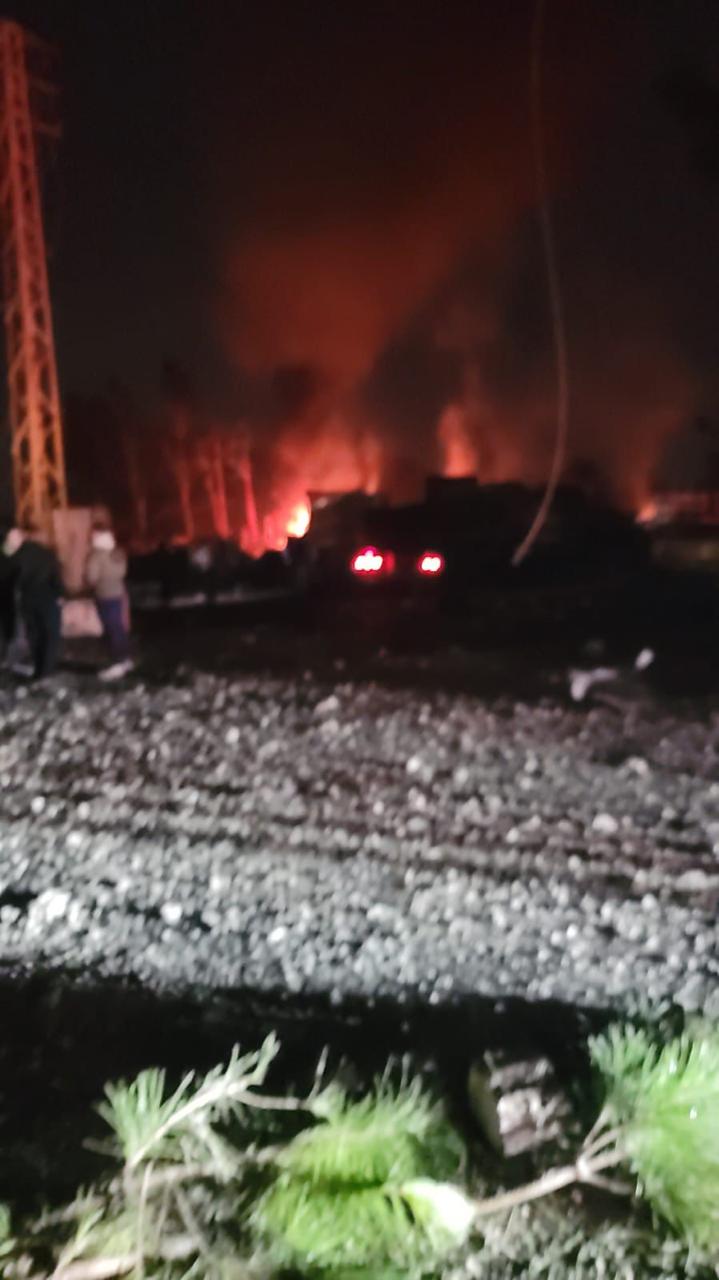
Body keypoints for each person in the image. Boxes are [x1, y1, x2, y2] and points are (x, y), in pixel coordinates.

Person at [2, 525, 64, 679]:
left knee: (34, 633)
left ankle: (38, 667)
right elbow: (56, 574)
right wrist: (60, 594)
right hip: (48, 597)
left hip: (29, 597)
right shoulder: (47, 553)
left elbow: (8, 572)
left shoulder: (18, 554)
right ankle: (47, 669)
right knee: (49, 634)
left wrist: (6, 549)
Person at [85, 525, 132, 679]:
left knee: (111, 629)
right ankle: (125, 658)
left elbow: (91, 577)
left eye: (93, 535)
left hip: (104, 595)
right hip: (118, 593)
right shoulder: (118, 552)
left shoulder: (96, 555)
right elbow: (123, 572)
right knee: (119, 627)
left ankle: (118, 662)